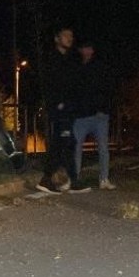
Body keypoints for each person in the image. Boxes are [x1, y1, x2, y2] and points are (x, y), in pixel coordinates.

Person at [36, 27, 90, 194]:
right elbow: (49, 84)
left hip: (69, 108)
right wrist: (57, 102)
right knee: (61, 143)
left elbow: (74, 83)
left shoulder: (69, 60)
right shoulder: (52, 59)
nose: (69, 38)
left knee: (67, 143)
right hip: (59, 108)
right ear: (57, 38)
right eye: (66, 35)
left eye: (71, 35)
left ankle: (72, 180)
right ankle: (47, 179)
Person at [73, 41, 116, 190]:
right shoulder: (76, 68)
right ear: (81, 50)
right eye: (84, 48)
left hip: (99, 116)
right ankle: (75, 178)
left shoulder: (100, 67)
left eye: (89, 48)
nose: (87, 51)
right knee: (76, 147)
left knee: (103, 147)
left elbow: (108, 88)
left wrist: (104, 108)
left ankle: (104, 179)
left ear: (92, 50)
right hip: (81, 116)